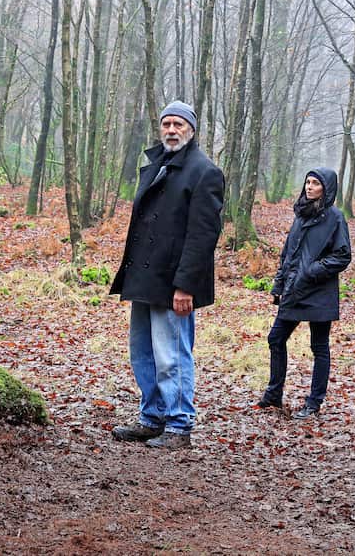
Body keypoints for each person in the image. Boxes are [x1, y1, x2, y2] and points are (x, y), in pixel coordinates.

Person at [109, 101, 224, 449]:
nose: (171, 130)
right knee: (142, 352)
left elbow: (203, 236)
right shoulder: (157, 165)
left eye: (178, 124)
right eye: (166, 124)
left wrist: (185, 285)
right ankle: (152, 417)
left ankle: (178, 425)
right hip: (144, 279)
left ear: (191, 129)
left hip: (174, 283)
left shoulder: (204, 172)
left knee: (172, 354)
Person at [258, 167, 351, 420]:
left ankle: (314, 402)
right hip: (294, 291)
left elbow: (343, 255)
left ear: (326, 188)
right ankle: (273, 393)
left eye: (315, 183)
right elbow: (287, 254)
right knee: (275, 338)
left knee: (319, 347)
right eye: (307, 182)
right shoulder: (300, 214)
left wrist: (313, 270)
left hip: (319, 291)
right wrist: (278, 285)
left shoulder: (335, 217)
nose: (309, 187)